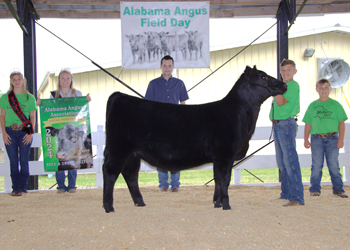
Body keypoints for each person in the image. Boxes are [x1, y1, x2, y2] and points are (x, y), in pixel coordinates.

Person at [37, 68, 91, 194]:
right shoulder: (53, 94)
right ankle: (60, 186)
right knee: (60, 156)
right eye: (62, 78)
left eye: (67, 78)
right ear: (59, 80)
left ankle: (72, 185)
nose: (65, 80)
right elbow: (49, 109)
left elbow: (81, 108)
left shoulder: (77, 93)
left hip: (73, 129)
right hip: (60, 130)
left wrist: (86, 100)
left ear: (71, 80)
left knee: (73, 156)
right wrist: (40, 104)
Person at [145, 55, 189, 193]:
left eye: (169, 65)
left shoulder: (180, 84)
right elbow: (148, 106)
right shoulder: (153, 84)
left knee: (177, 154)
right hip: (159, 125)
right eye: (164, 65)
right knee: (160, 154)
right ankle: (163, 185)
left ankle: (175, 185)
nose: (167, 68)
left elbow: (183, 105)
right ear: (160, 66)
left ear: (173, 67)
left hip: (176, 126)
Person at [303, 78, 348, 198]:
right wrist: (306, 139)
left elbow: (341, 123)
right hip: (317, 139)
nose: (324, 90)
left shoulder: (336, 105)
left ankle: (338, 189)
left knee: (333, 164)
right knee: (317, 165)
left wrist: (341, 139)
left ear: (330, 89)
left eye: (326, 87)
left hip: (333, 138)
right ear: (317, 90)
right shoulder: (313, 106)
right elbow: (308, 123)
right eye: (321, 87)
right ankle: (315, 189)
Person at [269, 59, 304, 207]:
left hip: (285, 124)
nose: (285, 72)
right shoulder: (283, 86)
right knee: (282, 162)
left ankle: (296, 197)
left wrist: (276, 89)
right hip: (278, 125)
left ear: (295, 71)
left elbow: (280, 102)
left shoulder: (293, 86)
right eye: (283, 70)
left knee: (290, 161)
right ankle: (286, 193)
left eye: (288, 69)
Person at [0, 70, 37, 196]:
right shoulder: (5, 97)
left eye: (18, 79)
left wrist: (30, 133)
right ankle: (15, 188)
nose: (16, 81)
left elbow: (33, 116)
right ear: (11, 81)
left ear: (23, 81)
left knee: (24, 161)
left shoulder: (29, 98)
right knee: (13, 161)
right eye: (14, 79)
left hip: (24, 131)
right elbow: (2, 116)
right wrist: (4, 133)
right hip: (10, 131)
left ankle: (23, 188)